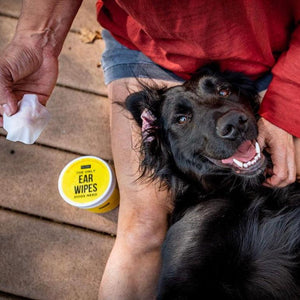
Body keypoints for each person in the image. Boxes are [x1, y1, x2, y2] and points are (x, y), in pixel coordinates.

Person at [0, 1, 299, 299]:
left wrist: (286, 104)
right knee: (140, 228)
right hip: (149, 48)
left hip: (278, 47)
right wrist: (37, 41)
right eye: (181, 118)